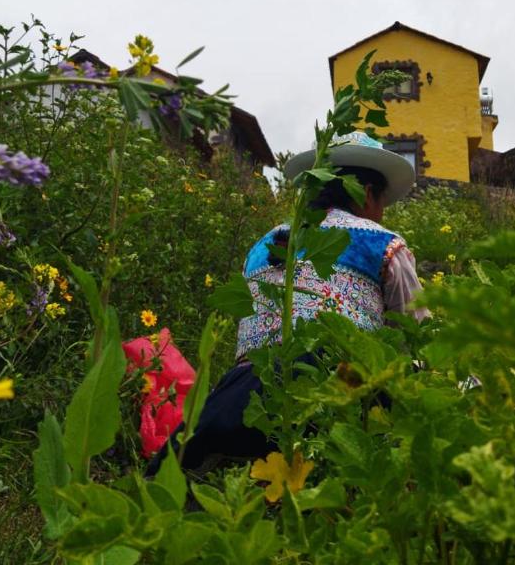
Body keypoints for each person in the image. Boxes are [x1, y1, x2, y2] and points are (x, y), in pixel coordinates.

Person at [153, 131, 424, 474]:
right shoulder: (382, 243)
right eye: (382, 201)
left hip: (241, 398)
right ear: (368, 193)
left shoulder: (263, 244)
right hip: (334, 389)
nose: (381, 213)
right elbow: (416, 333)